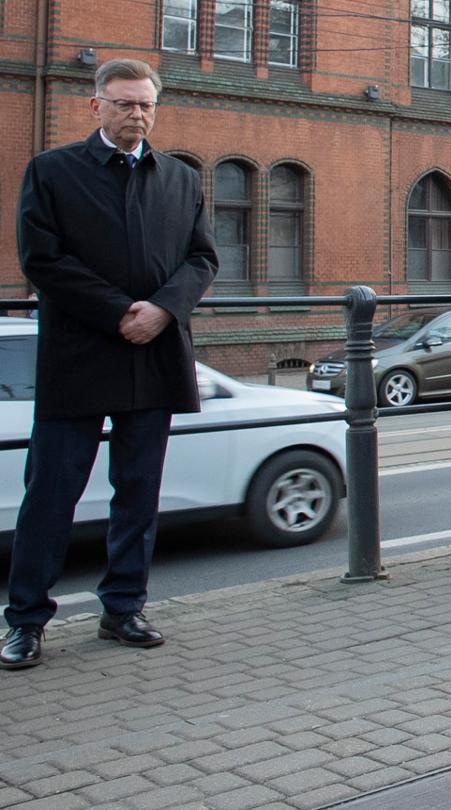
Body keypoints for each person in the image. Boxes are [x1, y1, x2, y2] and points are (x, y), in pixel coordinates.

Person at [4, 58, 217, 670]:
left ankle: (124, 607)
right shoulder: (52, 171)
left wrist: (162, 311)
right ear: (95, 106)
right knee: (51, 491)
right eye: (124, 103)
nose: (136, 114)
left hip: (154, 357)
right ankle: (25, 620)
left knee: (139, 492)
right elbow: (40, 259)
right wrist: (121, 310)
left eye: (145, 104)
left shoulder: (179, 177)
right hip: (80, 355)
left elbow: (202, 259)